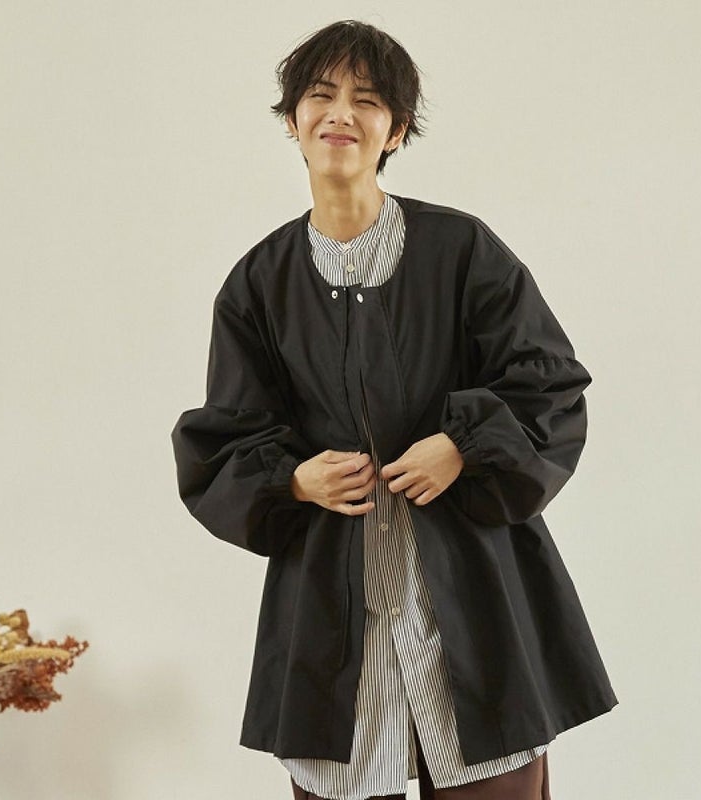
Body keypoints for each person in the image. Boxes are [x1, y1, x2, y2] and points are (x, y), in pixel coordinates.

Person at [170, 19, 617, 800]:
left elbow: (549, 387)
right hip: (332, 622)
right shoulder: (258, 285)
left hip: (475, 604)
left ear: (396, 131)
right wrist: (296, 481)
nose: (341, 113)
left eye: (368, 100)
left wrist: (463, 446)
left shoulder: (463, 252)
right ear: (293, 121)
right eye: (321, 95)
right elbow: (223, 443)